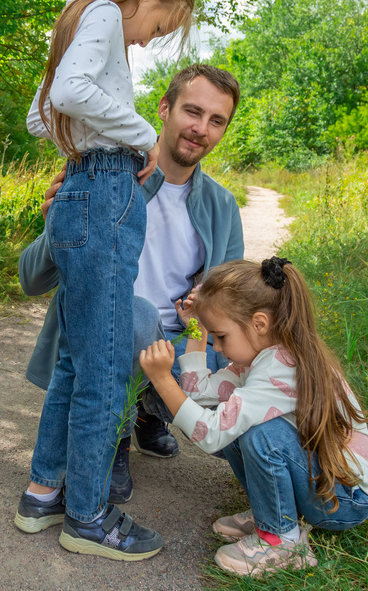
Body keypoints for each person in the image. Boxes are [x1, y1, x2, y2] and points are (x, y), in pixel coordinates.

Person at [12, 0, 198, 561]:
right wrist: (142, 133)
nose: (147, 42)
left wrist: (86, 154)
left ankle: (45, 492)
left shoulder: (82, 19)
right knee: (104, 365)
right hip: (105, 192)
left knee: (77, 358)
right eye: (160, 26)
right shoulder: (103, 18)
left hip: (87, 189)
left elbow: (43, 117)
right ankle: (88, 515)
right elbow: (67, 92)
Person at [19, 63, 244, 509]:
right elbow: (31, 279)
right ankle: (117, 435)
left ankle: (147, 412)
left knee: (241, 371)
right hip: (109, 338)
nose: (201, 129)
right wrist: (61, 224)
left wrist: (207, 301)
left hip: (178, 344)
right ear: (163, 108)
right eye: (192, 111)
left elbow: (234, 304)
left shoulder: (221, 205)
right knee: (134, 312)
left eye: (216, 121)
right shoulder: (103, 179)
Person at [139, 257, 368, 577]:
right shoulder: (259, 358)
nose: (218, 346)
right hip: (326, 484)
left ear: (259, 323)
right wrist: (196, 327)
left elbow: (210, 434)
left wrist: (162, 379)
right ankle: (272, 513)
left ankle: (280, 541)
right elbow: (199, 392)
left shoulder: (279, 369)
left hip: (345, 498)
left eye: (222, 336)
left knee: (260, 434)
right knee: (237, 421)